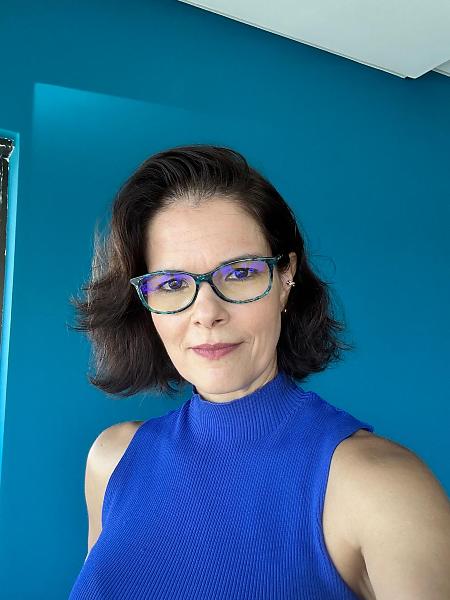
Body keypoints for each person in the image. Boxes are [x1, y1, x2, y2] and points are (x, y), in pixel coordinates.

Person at [68, 144, 450, 599]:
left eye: (239, 273)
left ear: (285, 278)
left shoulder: (382, 488)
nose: (206, 313)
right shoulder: (111, 460)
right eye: (171, 283)